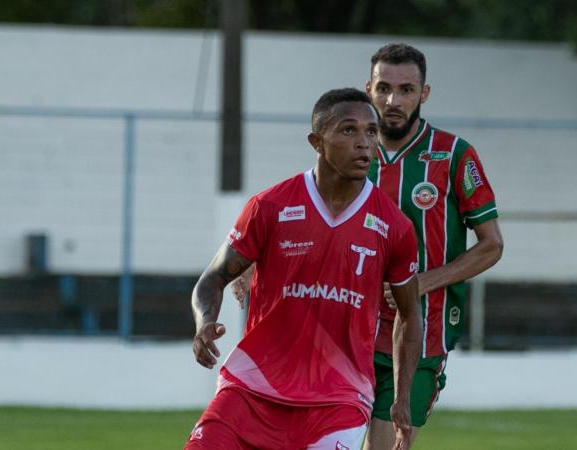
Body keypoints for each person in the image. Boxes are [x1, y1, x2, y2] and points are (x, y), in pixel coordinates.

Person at [234, 43, 504, 449]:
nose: (393, 101)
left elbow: (491, 245)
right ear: (369, 89)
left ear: (424, 93)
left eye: (406, 90)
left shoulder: (453, 155)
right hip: (341, 332)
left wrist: (422, 282)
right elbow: (307, 218)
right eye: (384, 88)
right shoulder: (349, 151)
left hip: (420, 334)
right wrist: (255, 261)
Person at [187, 88, 424, 450]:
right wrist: (204, 322)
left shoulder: (395, 226)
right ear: (316, 142)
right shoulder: (270, 206)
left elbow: (410, 316)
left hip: (339, 402)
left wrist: (401, 398)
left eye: (371, 131)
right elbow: (212, 279)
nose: (364, 143)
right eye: (349, 130)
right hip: (250, 390)